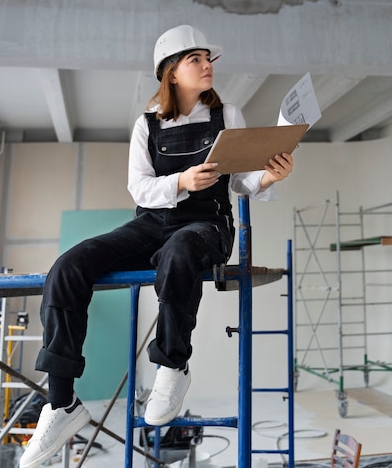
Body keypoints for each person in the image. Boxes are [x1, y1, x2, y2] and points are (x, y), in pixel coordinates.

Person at [19, 24, 294, 468]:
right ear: (170, 73)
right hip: (151, 223)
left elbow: (242, 181)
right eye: (195, 60)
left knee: (180, 250)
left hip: (207, 225)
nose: (207, 66)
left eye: (208, 59)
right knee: (70, 265)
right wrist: (181, 181)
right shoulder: (147, 124)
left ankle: (173, 366)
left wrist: (269, 176)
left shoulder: (229, 113)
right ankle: (62, 403)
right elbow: (138, 188)